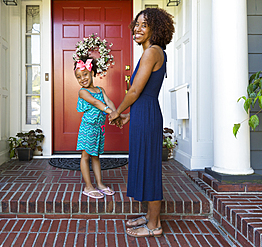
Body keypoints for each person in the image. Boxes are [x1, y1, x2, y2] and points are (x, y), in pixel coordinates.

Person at [109, 8, 175, 237]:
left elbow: (136, 90)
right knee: (146, 165)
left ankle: (154, 225)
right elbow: (144, 93)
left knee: (150, 169)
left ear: (155, 29)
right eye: (136, 24)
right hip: (144, 113)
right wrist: (130, 116)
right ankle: (150, 216)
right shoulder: (153, 52)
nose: (137, 29)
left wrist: (118, 111)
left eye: (143, 25)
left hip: (146, 113)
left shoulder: (152, 52)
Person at [75, 56, 116, 199]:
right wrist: (112, 113)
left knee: (96, 156)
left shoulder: (100, 89)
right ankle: (88, 186)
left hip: (99, 128)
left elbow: (108, 101)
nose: (82, 79)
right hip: (88, 128)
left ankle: (99, 183)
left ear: (92, 73)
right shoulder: (83, 92)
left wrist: (116, 113)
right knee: (85, 156)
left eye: (85, 74)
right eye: (78, 77)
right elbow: (96, 103)